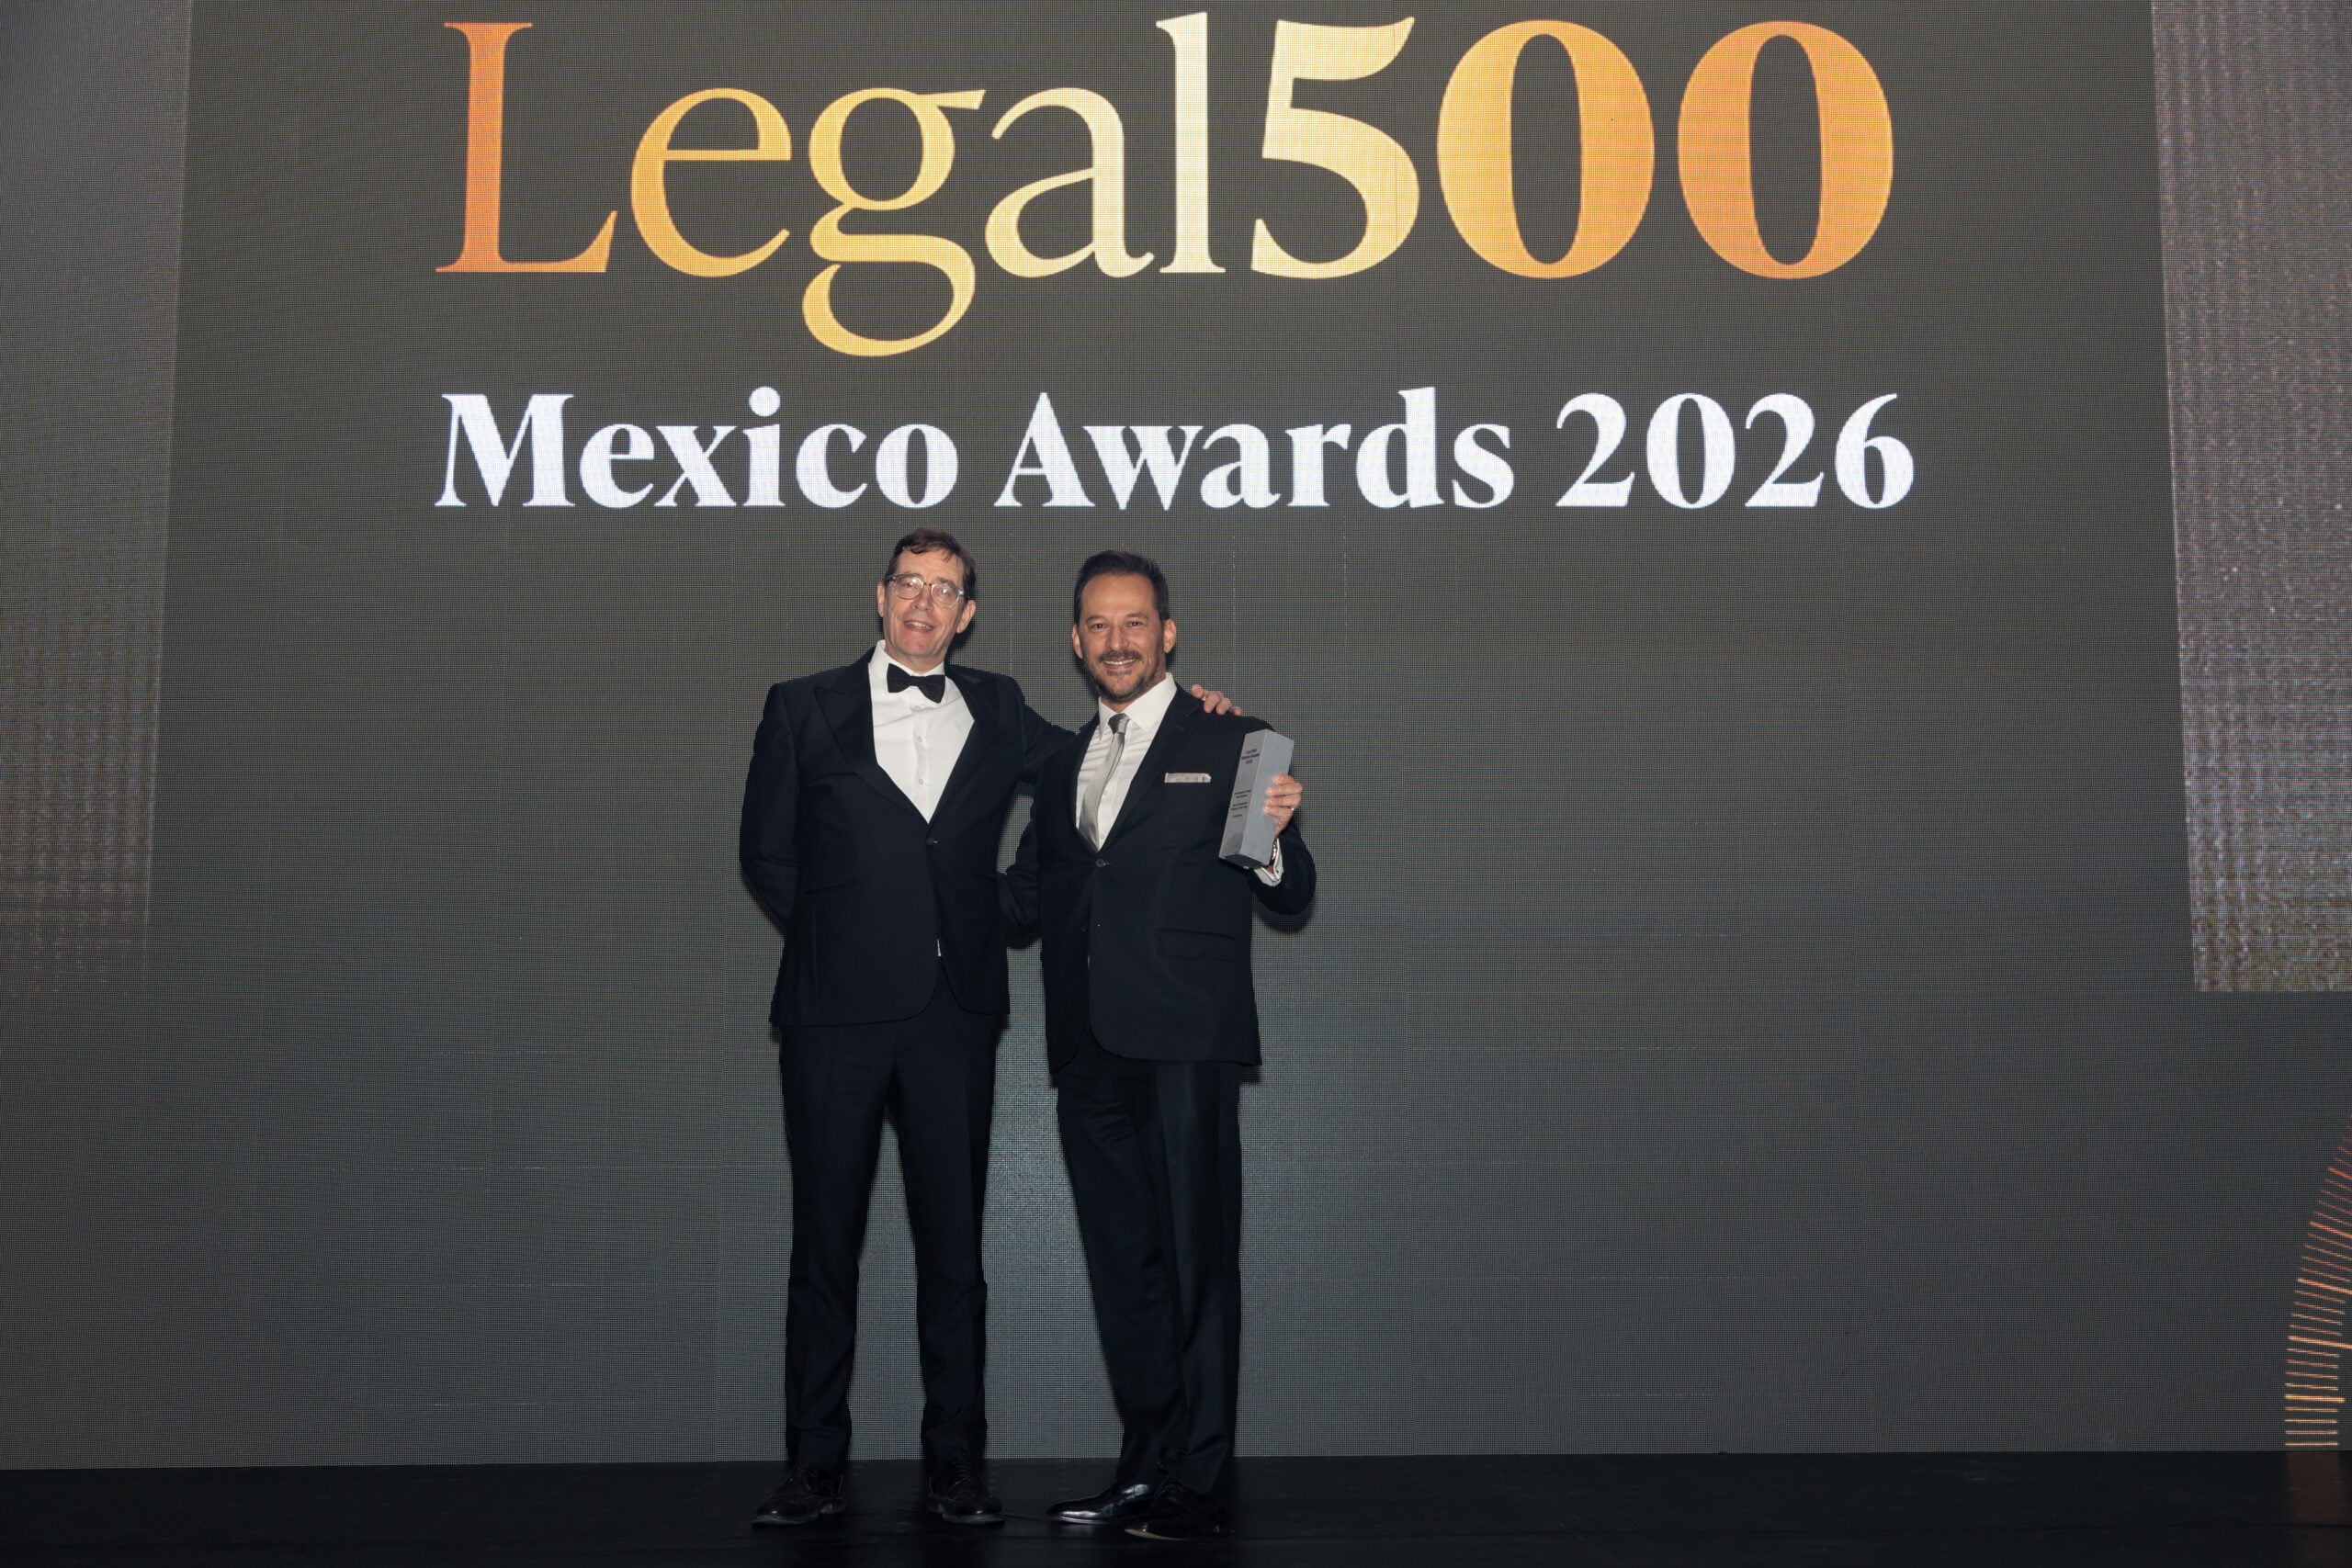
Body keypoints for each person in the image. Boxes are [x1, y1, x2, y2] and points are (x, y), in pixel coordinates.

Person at [737, 529, 1238, 1529]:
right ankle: (813, 1469)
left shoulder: (1002, 708)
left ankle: (955, 1469)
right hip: (833, 1016)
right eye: (909, 584)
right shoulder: (799, 706)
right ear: (881, 596)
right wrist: (850, 942)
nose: (924, 602)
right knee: (823, 1250)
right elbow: (766, 855)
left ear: (967, 614)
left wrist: (1197, 715)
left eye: (946, 590)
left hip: (953, 1018)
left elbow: (1106, 756)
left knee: (955, 1256)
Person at [1003, 550, 1314, 1541]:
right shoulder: (1062, 764)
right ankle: (1146, 1466)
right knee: (1124, 1272)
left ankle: (1203, 1480)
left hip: (1185, 1042)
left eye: (1134, 622)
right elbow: (1022, 903)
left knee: (1196, 1266)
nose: (1117, 641)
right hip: (1087, 1052)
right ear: (1075, 640)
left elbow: (1291, 893)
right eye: (1098, 624)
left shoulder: (1237, 740)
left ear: (1167, 634)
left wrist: (1275, 836)